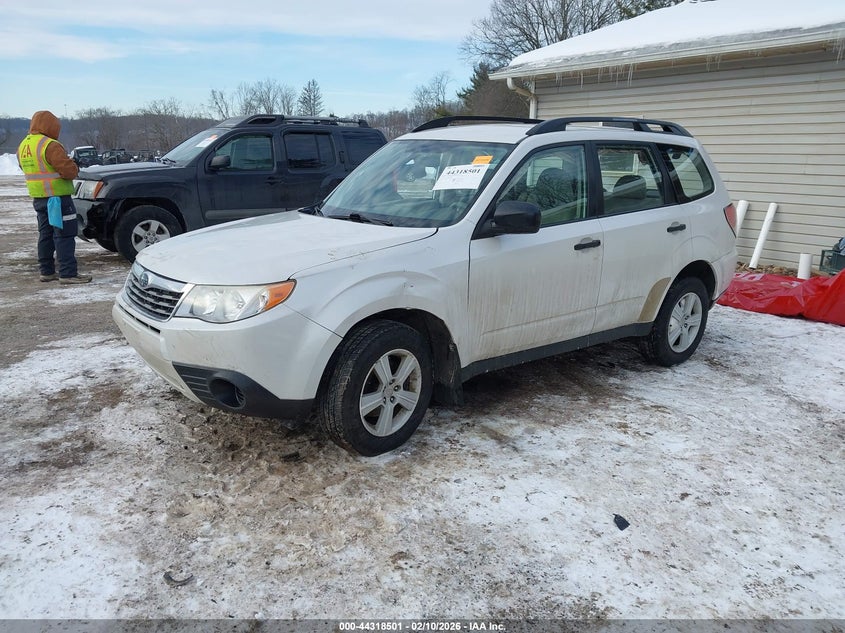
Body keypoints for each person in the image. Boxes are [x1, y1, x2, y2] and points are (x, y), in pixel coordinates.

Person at [17, 110, 92, 284]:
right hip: (57, 199)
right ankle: (68, 274)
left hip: (39, 198)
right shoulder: (50, 145)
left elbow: (26, 168)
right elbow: (68, 171)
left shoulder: (23, 146)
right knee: (64, 235)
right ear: (50, 126)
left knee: (45, 234)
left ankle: (46, 271)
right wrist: (74, 166)